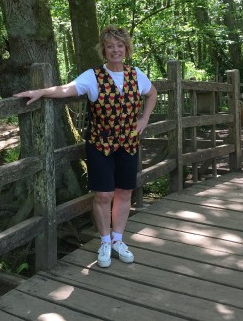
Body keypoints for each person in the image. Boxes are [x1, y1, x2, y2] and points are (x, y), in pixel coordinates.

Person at [14, 25, 157, 268]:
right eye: (110, 46)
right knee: (103, 194)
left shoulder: (136, 75)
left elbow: (152, 93)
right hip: (100, 145)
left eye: (119, 46)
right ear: (104, 50)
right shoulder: (93, 76)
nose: (115, 50)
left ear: (126, 49)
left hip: (129, 144)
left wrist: (144, 119)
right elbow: (66, 89)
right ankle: (104, 241)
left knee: (124, 192)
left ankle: (118, 240)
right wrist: (41, 91)